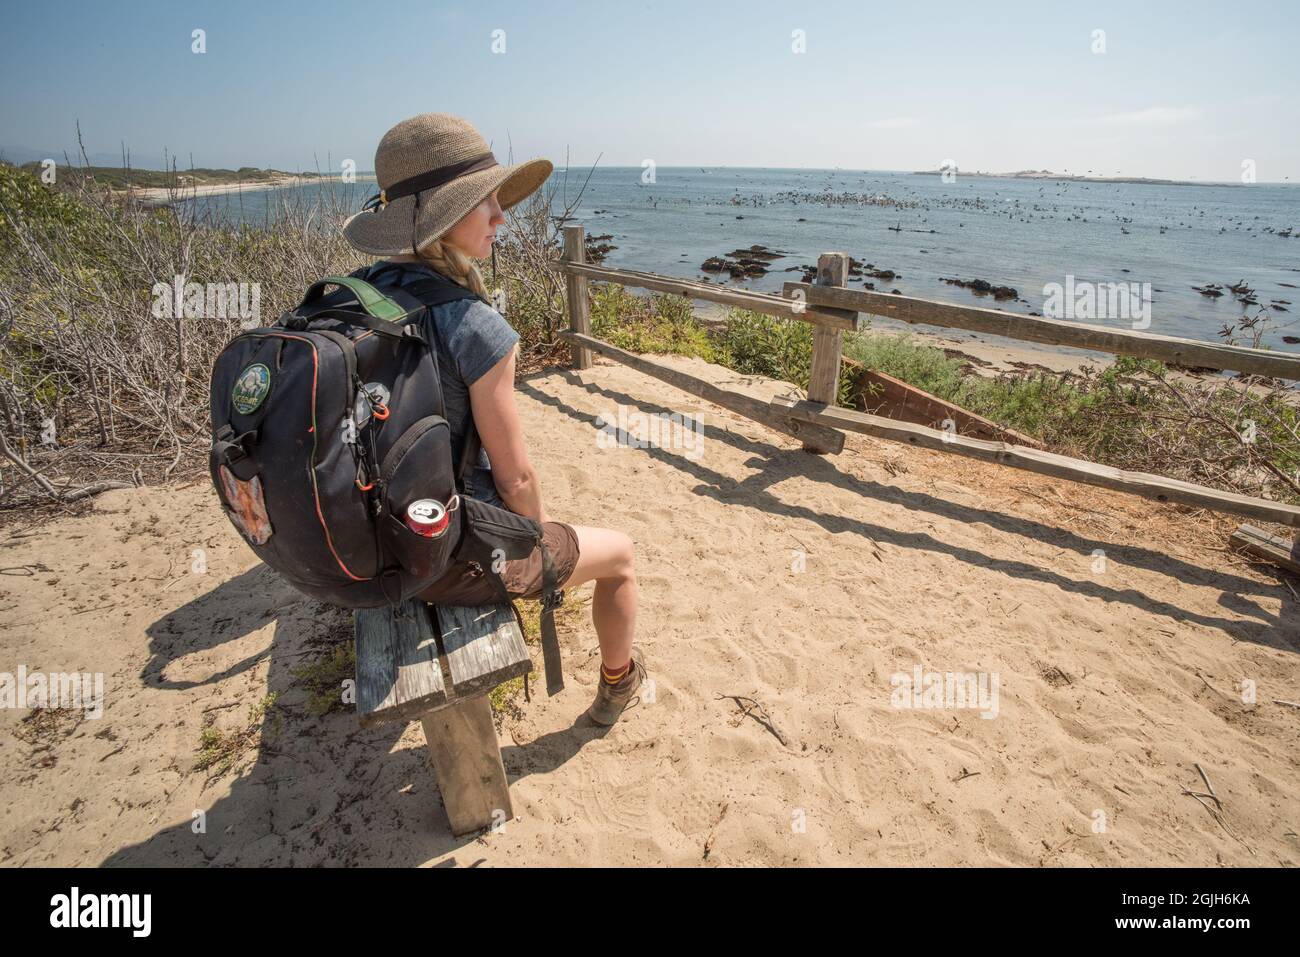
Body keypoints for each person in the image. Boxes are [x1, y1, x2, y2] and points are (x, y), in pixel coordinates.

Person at [342, 113, 645, 726]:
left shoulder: (356, 295)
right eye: (487, 204)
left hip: (368, 542)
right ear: (445, 219)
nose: (502, 217)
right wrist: (537, 554)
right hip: (441, 558)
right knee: (622, 556)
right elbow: (516, 483)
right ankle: (619, 683)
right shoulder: (475, 327)